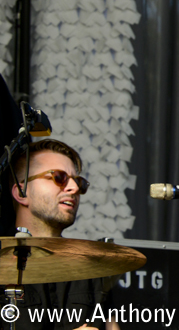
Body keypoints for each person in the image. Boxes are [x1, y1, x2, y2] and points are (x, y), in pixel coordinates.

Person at [6, 138, 120, 330]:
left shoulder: (92, 269)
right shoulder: (3, 264)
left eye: (79, 182)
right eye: (59, 177)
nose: (74, 189)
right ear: (22, 192)